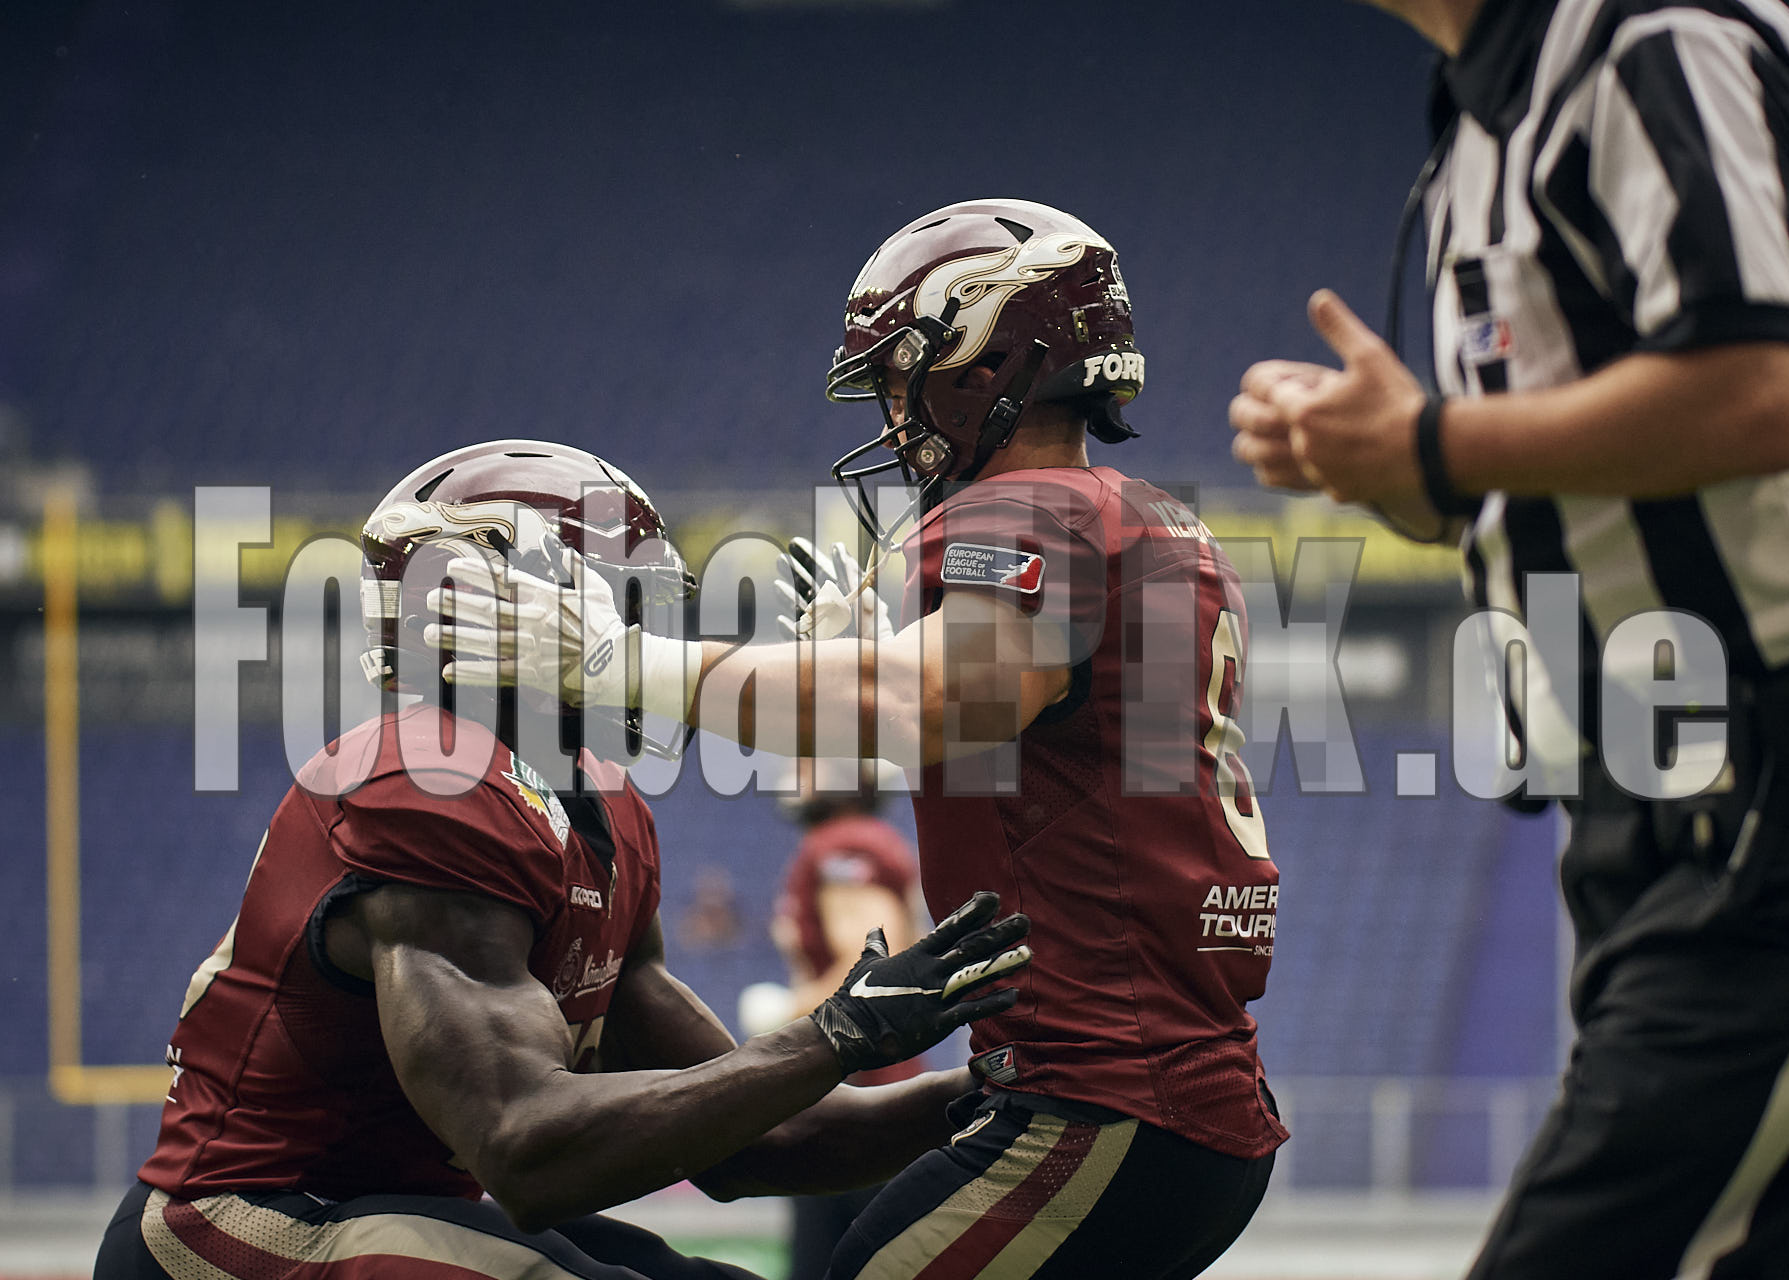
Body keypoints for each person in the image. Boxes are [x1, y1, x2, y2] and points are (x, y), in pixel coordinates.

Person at [437, 200, 1289, 1279]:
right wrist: (866, 657)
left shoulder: (1025, 509)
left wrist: (625, 662)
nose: (893, 410)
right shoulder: (1154, 520)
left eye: (902, 373)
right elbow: (1028, 730)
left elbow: (932, 703)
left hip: (1103, 1096)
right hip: (1171, 1083)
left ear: (985, 357)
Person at [1229, 2, 1789, 1276]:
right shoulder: (1481, 122)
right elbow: (1567, 485)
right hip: (1679, 807)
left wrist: (1433, 441)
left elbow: (1761, 390)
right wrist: (1389, 471)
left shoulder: (1651, 39)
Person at [94, 439, 1031, 1280]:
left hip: (394, 1211)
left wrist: (1006, 1085)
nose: (636, 637)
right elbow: (525, 1150)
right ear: (477, 613)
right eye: (619, 603)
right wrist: (835, 1035)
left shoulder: (603, 810)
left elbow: (761, 1140)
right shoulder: (427, 785)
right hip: (243, 1224)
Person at [766, 749, 925, 1280]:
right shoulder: (851, 842)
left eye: (809, 761)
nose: (796, 773)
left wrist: (782, 1016)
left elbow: (876, 971)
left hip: (856, 1100)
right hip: (860, 1096)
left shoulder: (843, 844)